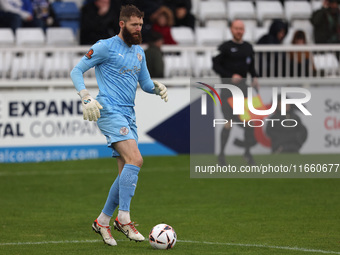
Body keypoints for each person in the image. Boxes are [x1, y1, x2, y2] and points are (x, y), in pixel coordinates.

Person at [70, 5, 168, 246]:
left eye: (141, 26)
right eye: (134, 25)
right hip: (108, 109)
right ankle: (123, 218)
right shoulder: (105, 46)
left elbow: (144, 84)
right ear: (122, 24)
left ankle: (103, 221)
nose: (138, 30)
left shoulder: (138, 52)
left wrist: (157, 87)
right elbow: (76, 70)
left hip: (128, 113)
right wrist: (85, 96)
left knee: (125, 170)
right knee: (136, 159)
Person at [212, 19, 259, 166]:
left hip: (243, 90)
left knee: (248, 122)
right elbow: (216, 66)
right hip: (228, 91)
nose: (239, 31)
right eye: (236, 28)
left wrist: (255, 77)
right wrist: (230, 76)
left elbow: (251, 66)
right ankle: (221, 156)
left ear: (244, 31)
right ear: (231, 30)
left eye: (241, 29)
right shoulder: (225, 47)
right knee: (229, 122)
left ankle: (247, 153)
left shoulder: (248, 48)